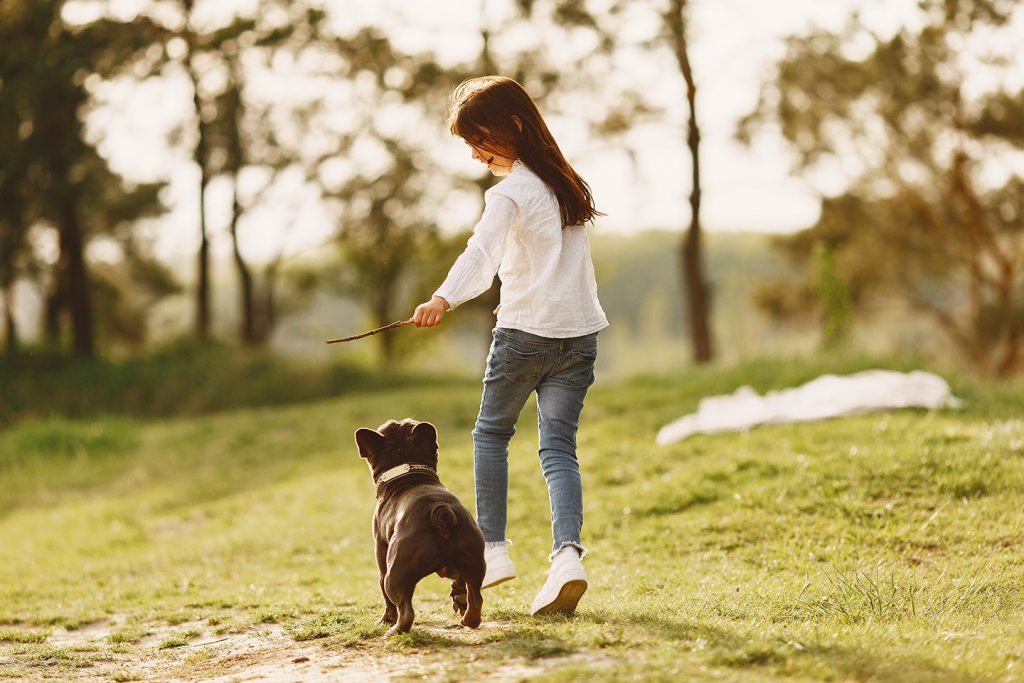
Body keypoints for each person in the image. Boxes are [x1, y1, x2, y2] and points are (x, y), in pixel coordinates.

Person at [411, 76, 608, 616]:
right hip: (578, 335)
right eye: (469, 145)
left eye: (481, 140)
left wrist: (441, 300)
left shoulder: (510, 192)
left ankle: (493, 550)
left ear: (514, 126)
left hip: (524, 337)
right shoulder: (566, 184)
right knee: (558, 450)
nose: (476, 154)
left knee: (490, 436)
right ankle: (568, 557)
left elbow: (481, 255)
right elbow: (551, 266)